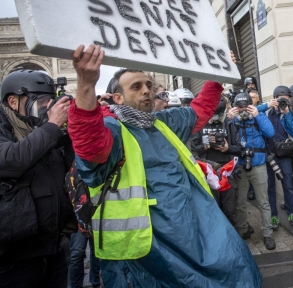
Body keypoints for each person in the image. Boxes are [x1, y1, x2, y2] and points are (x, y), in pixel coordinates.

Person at [68, 44, 261, 287]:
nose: (146, 90)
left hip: (188, 228)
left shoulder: (161, 121)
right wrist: (86, 84)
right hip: (145, 246)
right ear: (118, 98)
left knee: (235, 267)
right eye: (136, 87)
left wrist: (217, 76)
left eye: (148, 85)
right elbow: (90, 146)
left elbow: (199, 110)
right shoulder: (112, 129)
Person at [0, 70, 75, 288]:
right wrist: (52, 127)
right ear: (13, 101)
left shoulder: (42, 130)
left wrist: (71, 133)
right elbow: (10, 160)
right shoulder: (39, 130)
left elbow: (70, 170)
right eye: (41, 101)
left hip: (54, 251)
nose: (47, 108)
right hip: (12, 263)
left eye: (50, 102)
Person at [230, 92, 277, 250]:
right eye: (240, 107)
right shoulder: (233, 120)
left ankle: (267, 234)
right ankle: (243, 230)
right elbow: (226, 138)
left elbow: (270, 133)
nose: (243, 110)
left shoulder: (258, 116)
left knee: (263, 202)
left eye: (246, 107)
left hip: (258, 165)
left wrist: (258, 115)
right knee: (240, 202)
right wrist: (229, 120)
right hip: (240, 166)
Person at [191, 96, 241, 226]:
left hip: (227, 172)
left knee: (230, 210)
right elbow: (191, 152)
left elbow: (239, 147)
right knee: (213, 209)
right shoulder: (198, 124)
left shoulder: (229, 123)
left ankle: (233, 240)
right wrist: (205, 146)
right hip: (208, 172)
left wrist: (227, 148)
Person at [257, 86, 293, 229]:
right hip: (268, 154)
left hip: (284, 154)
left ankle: (292, 212)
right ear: (274, 98)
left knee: (288, 185)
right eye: (280, 99)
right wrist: (267, 105)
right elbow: (253, 111)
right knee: (270, 187)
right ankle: (273, 216)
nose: (283, 101)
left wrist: (287, 113)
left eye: (286, 99)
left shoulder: (289, 112)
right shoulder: (267, 111)